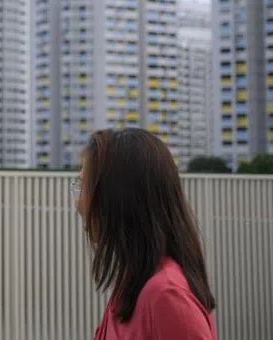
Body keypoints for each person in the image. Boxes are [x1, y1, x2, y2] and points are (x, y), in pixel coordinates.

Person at [74, 128, 218, 340]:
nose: (78, 203)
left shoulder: (166, 295)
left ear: (117, 197)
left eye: (83, 186)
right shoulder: (132, 282)